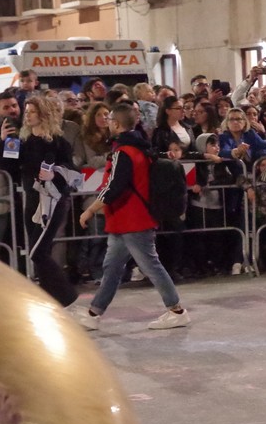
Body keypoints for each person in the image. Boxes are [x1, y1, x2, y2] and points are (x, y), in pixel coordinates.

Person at [76, 103, 191, 330]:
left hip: (131, 220)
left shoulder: (122, 152)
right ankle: (93, 313)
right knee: (112, 267)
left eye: (110, 119)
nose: (108, 122)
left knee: (150, 265)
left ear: (117, 124)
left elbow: (113, 186)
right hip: (127, 220)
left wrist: (90, 210)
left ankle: (177, 310)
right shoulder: (140, 148)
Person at [19, 94, 79, 307]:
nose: (28, 116)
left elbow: (74, 172)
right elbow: (8, 165)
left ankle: (66, 296)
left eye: (32, 112)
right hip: (32, 201)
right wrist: (3, 141)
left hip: (53, 201)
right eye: (26, 112)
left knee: (38, 252)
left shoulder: (58, 142)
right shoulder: (24, 141)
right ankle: (49, 298)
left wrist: (55, 174)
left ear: (43, 114)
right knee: (38, 252)